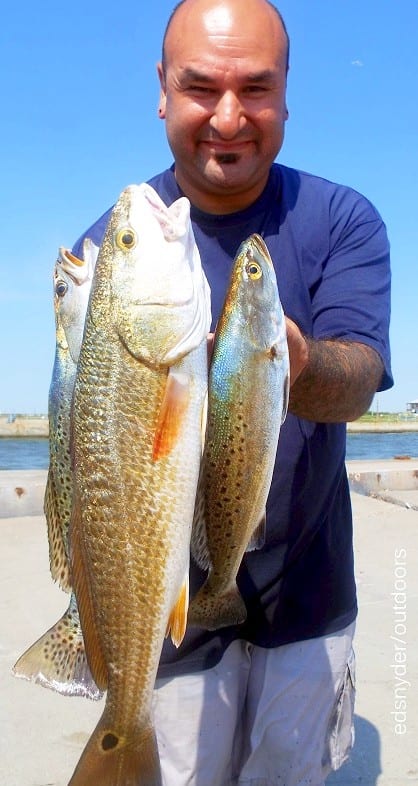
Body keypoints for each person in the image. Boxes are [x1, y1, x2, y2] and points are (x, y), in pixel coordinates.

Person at [72, 1, 392, 784]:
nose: (227, 115)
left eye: (255, 87)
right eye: (200, 86)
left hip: (307, 598)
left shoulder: (343, 219)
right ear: (162, 89)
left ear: (286, 92)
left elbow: (357, 385)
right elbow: (91, 463)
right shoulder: (109, 261)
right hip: (169, 615)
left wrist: (291, 362)